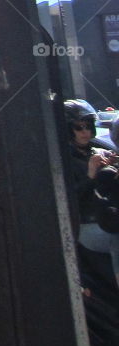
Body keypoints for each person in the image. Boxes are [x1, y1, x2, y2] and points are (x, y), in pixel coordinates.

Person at [66, 98, 119, 285]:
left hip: (111, 217)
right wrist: (90, 176)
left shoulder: (99, 151)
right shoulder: (64, 161)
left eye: (88, 126)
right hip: (88, 224)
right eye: (79, 127)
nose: (85, 132)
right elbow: (69, 199)